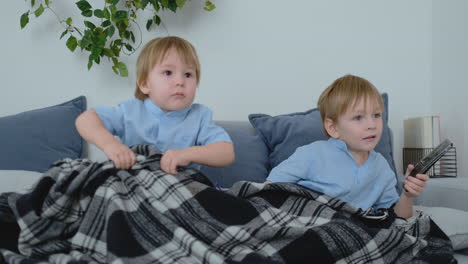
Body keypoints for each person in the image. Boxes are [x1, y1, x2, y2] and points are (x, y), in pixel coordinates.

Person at [265, 74, 428, 219]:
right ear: (333, 128)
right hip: (309, 220)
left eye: (376, 115)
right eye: (358, 117)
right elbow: (268, 190)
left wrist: (407, 195)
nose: (372, 124)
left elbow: (397, 217)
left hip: (353, 229)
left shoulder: (381, 167)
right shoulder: (311, 154)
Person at [76, 36, 235, 174]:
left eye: (188, 74)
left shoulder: (200, 116)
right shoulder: (130, 111)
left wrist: (187, 154)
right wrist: (110, 145)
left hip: (180, 186)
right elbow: (85, 119)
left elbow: (226, 152)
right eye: (168, 73)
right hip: (134, 184)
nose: (180, 82)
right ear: (145, 84)